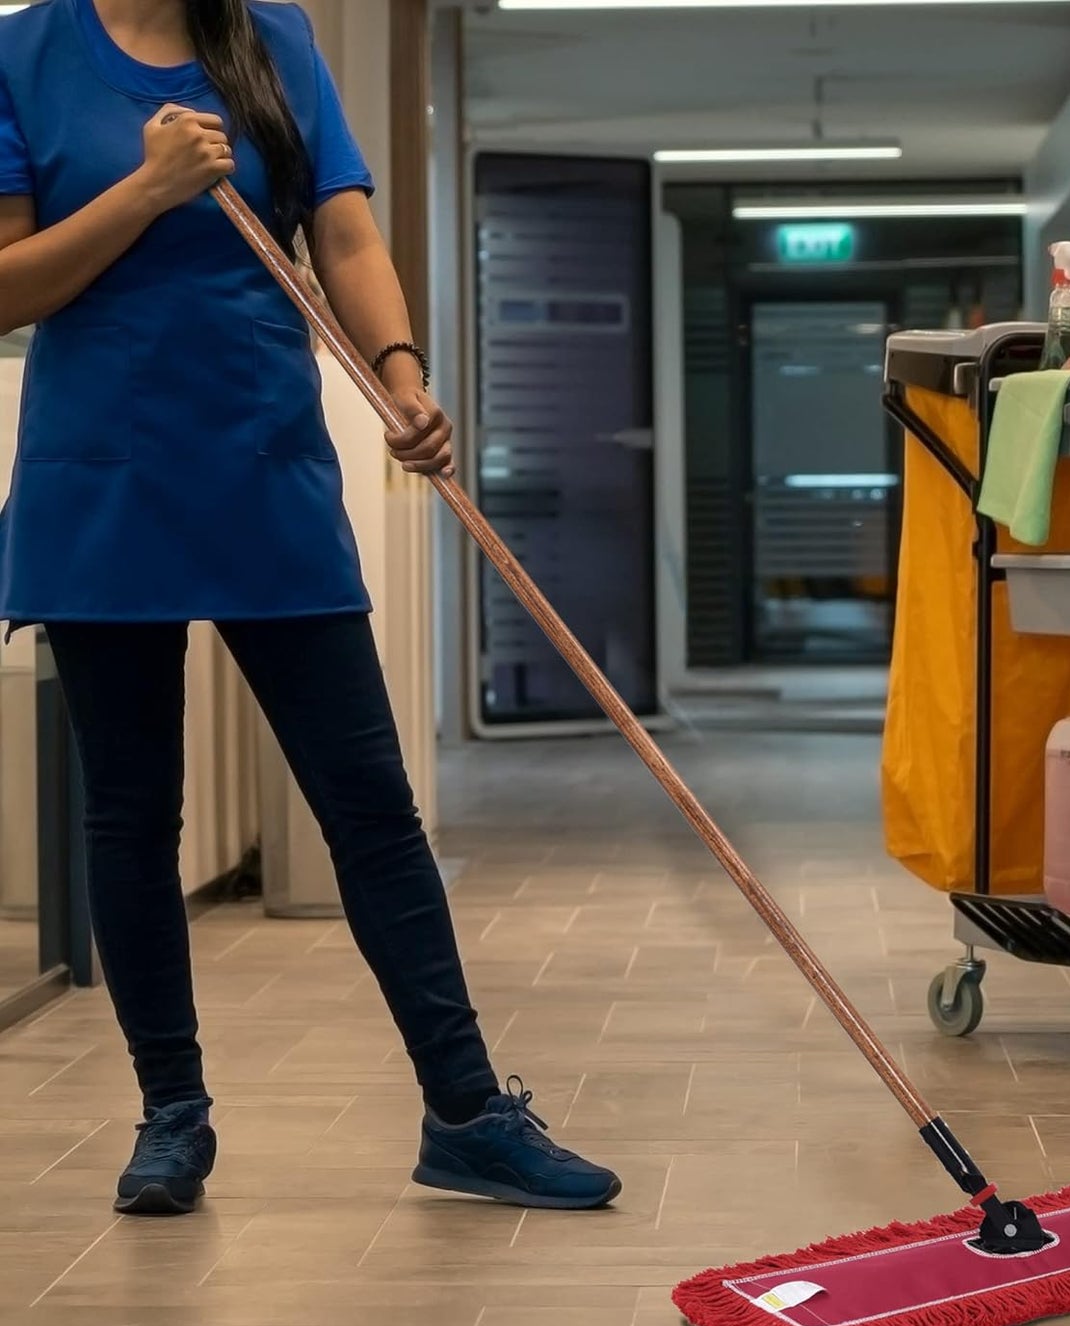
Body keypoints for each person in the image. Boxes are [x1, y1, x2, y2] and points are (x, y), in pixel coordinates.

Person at [0, 0, 621, 1214]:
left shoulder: (271, 36)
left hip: (263, 467)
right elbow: (6, 285)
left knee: (371, 809)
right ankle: (171, 1116)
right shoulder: (22, 54)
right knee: (129, 816)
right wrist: (146, 190)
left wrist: (400, 374)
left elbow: (342, 233)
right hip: (100, 483)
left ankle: (467, 1112)